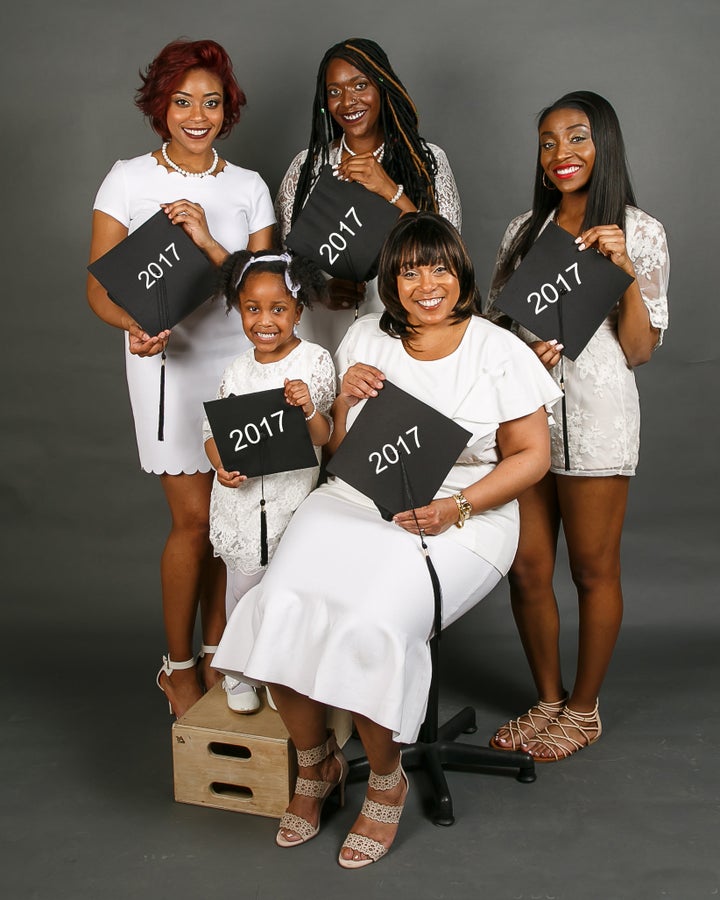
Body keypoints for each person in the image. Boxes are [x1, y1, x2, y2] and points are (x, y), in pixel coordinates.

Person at [213, 213, 561, 867]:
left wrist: (455, 506)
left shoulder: (498, 350)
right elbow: (343, 450)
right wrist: (343, 398)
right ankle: (317, 765)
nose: (426, 283)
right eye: (408, 269)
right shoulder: (366, 334)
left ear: (460, 274)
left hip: (466, 511)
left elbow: (531, 458)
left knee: (370, 621)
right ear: (391, 280)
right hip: (356, 497)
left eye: (439, 267)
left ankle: (384, 777)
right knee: (279, 600)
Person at [87, 39, 276, 717]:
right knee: (194, 522)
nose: (197, 115)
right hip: (166, 362)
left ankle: (225, 644)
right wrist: (130, 327)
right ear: (159, 106)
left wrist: (204, 239)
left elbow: (263, 289)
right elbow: (99, 288)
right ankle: (178, 663)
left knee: (238, 517)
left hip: (242, 361)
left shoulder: (248, 186)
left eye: (212, 102)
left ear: (229, 110)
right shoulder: (128, 178)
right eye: (182, 101)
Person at [485, 91, 669, 761]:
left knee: (593, 570)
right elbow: (492, 334)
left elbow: (641, 348)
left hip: (596, 418)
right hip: (527, 420)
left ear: (605, 145)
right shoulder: (521, 233)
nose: (561, 154)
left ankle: (584, 711)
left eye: (577, 138)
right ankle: (549, 698)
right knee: (528, 569)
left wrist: (620, 270)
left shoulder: (639, 231)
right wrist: (517, 352)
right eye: (548, 142)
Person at [202, 251, 335, 712]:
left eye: (279, 309)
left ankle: (281, 673)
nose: (265, 320)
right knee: (241, 589)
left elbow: (325, 436)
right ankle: (239, 673)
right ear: (239, 309)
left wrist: (308, 409)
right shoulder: (236, 370)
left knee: (286, 591)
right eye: (252, 308)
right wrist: (221, 466)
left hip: (289, 503)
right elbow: (213, 435)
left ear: (299, 311)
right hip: (240, 503)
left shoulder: (315, 361)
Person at [275, 37, 462, 352]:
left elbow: (448, 255)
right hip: (321, 324)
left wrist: (389, 189)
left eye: (360, 86)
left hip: (398, 322)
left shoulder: (425, 161)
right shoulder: (306, 167)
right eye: (335, 91)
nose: (348, 102)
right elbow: (281, 258)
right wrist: (318, 291)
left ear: (382, 87)